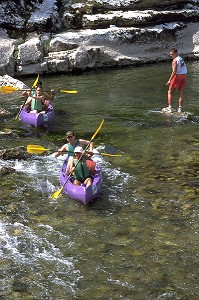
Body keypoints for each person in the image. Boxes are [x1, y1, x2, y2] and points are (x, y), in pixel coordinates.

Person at [165, 48, 187, 113]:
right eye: (170, 55)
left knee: (170, 92)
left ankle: (170, 108)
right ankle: (180, 109)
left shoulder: (175, 60)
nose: (171, 56)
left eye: (172, 54)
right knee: (181, 92)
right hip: (184, 76)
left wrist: (169, 80)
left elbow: (174, 71)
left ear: (176, 53)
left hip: (177, 76)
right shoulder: (181, 58)